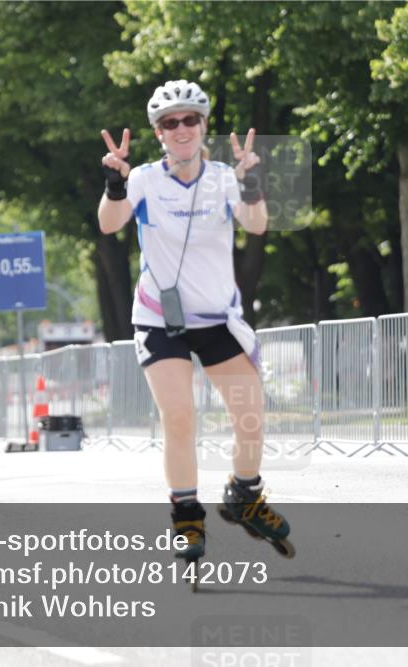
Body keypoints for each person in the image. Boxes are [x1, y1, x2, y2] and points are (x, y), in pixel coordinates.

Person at [98, 80, 293, 565]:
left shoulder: (224, 178)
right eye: (170, 123)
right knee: (180, 415)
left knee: (250, 415)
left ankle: (244, 495)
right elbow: (109, 223)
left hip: (215, 317)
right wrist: (116, 183)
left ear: (203, 126)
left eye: (190, 119)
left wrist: (251, 181)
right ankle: (186, 514)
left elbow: (255, 224)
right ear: (158, 133)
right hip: (160, 319)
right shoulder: (144, 179)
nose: (181, 129)